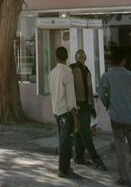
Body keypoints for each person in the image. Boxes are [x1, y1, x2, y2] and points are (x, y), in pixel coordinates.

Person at [100, 50, 131, 186]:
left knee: (120, 149)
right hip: (130, 116)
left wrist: (108, 104)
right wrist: (130, 102)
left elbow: (101, 93)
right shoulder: (130, 76)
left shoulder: (107, 76)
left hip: (115, 116)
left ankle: (124, 179)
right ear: (123, 61)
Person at [70, 49, 107, 170]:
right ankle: (96, 160)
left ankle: (79, 157)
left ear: (85, 58)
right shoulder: (72, 69)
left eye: (82, 56)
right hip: (77, 105)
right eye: (78, 56)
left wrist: (92, 106)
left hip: (86, 105)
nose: (81, 58)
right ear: (75, 57)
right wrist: (73, 105)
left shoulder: (87, 70)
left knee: (80, 132)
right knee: (85, 133)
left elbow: (90, 90)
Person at [49, 46, 81, 179]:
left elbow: (52, 92)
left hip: (57, 111)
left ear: (56, 57)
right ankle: (63, 169)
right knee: (66, 142)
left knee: (63, 140)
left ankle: (66, 167)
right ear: (67, 57)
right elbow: (71, 96)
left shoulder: (52, 73)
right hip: (66, 112)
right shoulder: (67, 72)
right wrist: (75, 114)